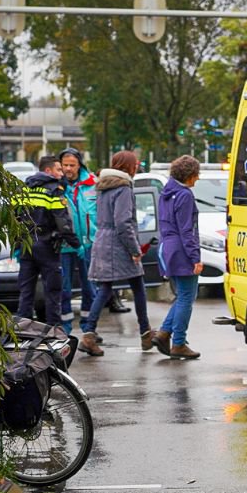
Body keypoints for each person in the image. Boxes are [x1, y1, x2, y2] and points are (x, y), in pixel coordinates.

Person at [76, 152, 155, 357]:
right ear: (128, 166)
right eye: (135, 164)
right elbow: (123, 222)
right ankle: (144, 333)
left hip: (102, 240)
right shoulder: (123, 188)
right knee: (134, 287)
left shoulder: (103, 186)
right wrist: (135, 249)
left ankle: (90, 334)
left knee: (106, 288)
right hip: (118, 245)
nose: (137, 167)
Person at [14, 155, 79, 327]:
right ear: (48, 170)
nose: (62, 173)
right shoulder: (54, 190)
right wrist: (76, 244)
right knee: (53, 291)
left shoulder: (23, 189)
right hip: (47, 246)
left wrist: (16, 244)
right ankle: (53, 330)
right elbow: (63, 222)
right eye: (59, 169)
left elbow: (13, 217)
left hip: (26, 246)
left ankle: (23, 330)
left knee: (26, 291)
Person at [152, 155, 204, 360]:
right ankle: (179, 343)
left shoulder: (167, 192)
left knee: (182, 294)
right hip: (181, 250)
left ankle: (164, 333)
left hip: (167, 248)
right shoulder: (185, 195)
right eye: (196, 174)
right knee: (187, 297)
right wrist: (195, 257)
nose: (198, 178)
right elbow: (187, 230)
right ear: (189, 175)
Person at [57, 147, 97, 335]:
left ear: (79, 165)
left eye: (72, 165)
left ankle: (89, 328)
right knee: (63, 287)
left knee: (90, 287)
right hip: (65, 245)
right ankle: (64, 327)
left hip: (88, 244)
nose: (68, 169)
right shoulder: (56, 187)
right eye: (65, 165)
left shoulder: (93, 184)